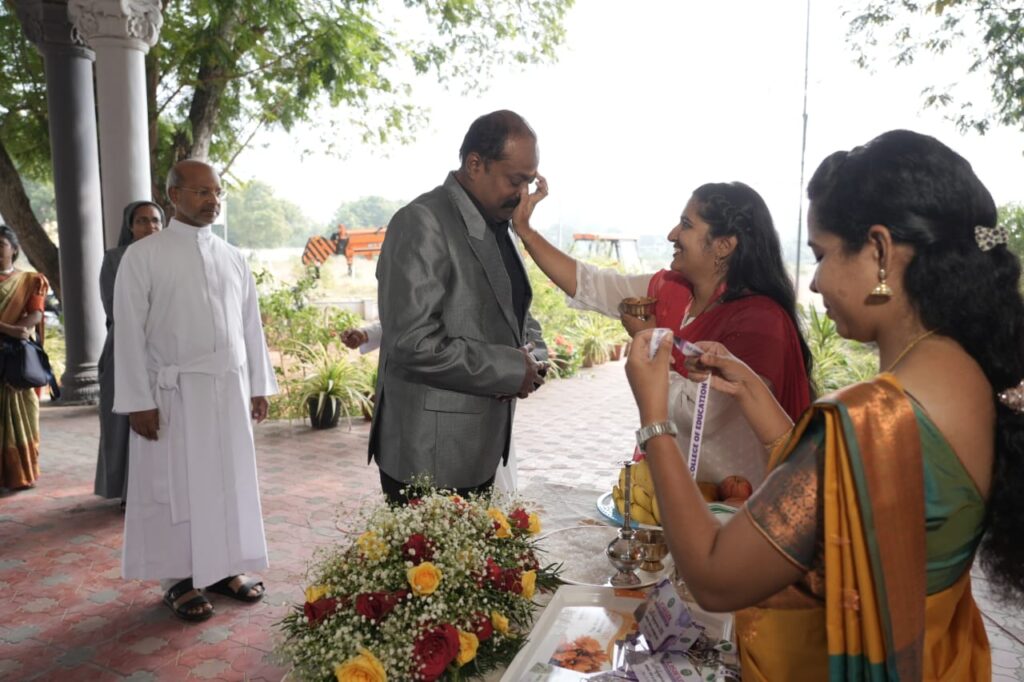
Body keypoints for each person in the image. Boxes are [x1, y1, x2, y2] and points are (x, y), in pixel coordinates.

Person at [625, 129, 1024, 680]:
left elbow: (715, 577)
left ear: (879, 251)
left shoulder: (872, 417)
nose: (814, 284)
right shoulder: (972, 377)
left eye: (822, 255)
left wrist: (654, 419)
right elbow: (842, 494)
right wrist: (756, 393)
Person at [513, 181, 811, 487]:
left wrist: (651, 342)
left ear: (724, 245)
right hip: (670, 487)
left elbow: (701, 415)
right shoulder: (671, 289)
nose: (672, 234)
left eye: (686, 225)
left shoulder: (760, 321)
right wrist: (526, 231)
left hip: (730, 499)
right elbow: (591, 284)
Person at [113, 160, 278, 622]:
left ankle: (224, 568)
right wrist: (138, 401)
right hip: (174, 395)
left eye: (217, 192)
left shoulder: (232, 256)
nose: (213, 201)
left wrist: (258, 385)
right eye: (202, 192)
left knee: (227, 481)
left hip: (227, 392)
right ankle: (178, 580)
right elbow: (128, 333)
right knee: (177, 488)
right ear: (174, 196)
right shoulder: (143, 256)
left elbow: (250, 326)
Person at [370, 110, 548, 502]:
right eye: (515, 180)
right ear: (475, 164)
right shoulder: (423, 222)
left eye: (530, 181)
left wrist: (535, 358)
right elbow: (412, 342)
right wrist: (510, 368)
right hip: (429, 454)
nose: (523, 194)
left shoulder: (500, 224)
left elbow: (515, 312)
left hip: (477, 449)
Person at [343, 320, 519, 492]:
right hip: (406, 427)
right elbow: (407, 319)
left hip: (468, 422)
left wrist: (518, 369)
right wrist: (367, 334)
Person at [94, 201, 164, 506]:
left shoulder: (170, 257)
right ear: (130, 226)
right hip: (124, 347)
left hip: (166, 351)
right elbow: (116, 309)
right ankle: (128, 492)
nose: (150, 227)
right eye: (142, 221)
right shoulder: (115, 259)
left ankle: (160, 489)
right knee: (125, 419)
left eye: (156, 220)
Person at [0, 225, 48, 491]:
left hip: (17, 358)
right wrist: (10, 329)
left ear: (14, 249)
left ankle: (21, 474)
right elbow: (17, 329)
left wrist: (18, 331)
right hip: (10, 343)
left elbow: (36, 314)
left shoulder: (30, 281)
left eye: (1, 245)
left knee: (24, 413)